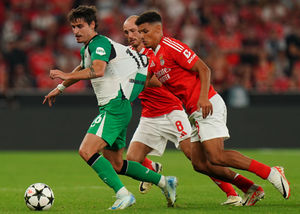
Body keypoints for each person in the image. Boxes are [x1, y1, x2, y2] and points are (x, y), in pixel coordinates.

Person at [135, 11, 290, 206]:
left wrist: (203, 98)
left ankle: (272, 172)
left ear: (158, 29)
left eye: (145, 31)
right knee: (199, 164)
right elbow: (143, 83)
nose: (142, 36)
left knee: (216, 155)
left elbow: (204, 68)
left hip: (207, 103)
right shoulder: (152, 57)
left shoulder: (171, 46)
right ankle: (251, 188)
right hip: (194, 111)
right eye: (139, 32)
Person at [43, 6, 178, 210]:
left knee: (86, 150)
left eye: (80, 26)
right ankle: (164, 182)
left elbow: (98, 70)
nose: (76, 31)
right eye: (73, 27)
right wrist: (60, 88)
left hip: (114, 106)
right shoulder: (89, 47)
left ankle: (123, 194)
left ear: (92, 25)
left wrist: (65, 75)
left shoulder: (101, 43)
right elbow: (83, 66)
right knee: (116, 164)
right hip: (120, 106)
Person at [123, 15, 242, 206]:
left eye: (134, 31)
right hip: (149, 115)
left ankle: (232, 192)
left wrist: (135, 80)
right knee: (132, 159)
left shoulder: (154, 51)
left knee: (196, 158)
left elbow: (157, 81)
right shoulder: (128, 54)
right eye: (126, 32)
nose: (130, 35)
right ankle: (153, 168)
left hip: (172, 111)